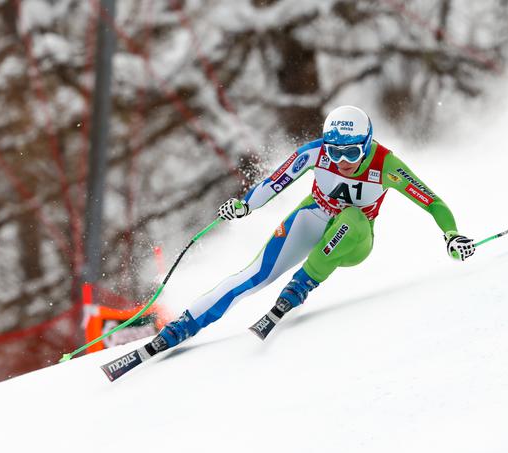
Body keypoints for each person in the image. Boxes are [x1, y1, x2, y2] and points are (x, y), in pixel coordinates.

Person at [150, 105, 475, 352]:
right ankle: (184, 324)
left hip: (355, 238)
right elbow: (274, 183)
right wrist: (245, 205)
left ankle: (302, 284)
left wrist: (451, 234)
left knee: (350, 218)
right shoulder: (314, 153)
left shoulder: (386, 165)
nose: (343, 160)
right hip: (314, 215)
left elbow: (432, 201)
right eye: (336, 152)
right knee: (254, 274)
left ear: (367, 143)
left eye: (352, 152)